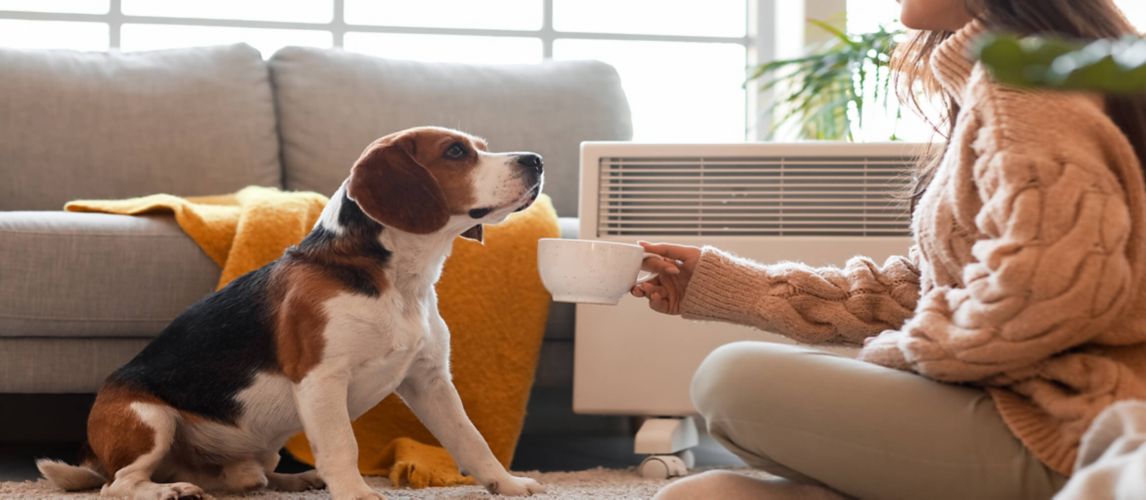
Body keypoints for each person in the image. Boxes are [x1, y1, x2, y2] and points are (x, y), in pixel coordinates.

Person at [635, 1, 1146, 498]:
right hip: (1038, 408)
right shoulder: (1037, 72)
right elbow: (935, 287)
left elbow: (1051, 288)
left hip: (1063, 433)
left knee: (731, 380)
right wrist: (730, 286)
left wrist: (898, 356)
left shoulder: (1024, 94)